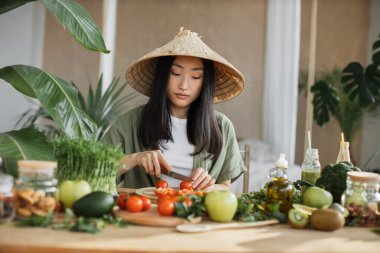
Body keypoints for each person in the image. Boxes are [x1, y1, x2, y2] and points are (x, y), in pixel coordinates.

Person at [103, 27, 246, 191]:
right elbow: (94, 170)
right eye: (175, 73)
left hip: (195, 215)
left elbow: (225, 186)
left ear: (205, 82)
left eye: (195, 77)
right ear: (163, 76)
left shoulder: (221, 126)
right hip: (144, 214)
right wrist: (135, 158)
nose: (184, 86)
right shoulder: (130, 122)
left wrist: (210, 187)